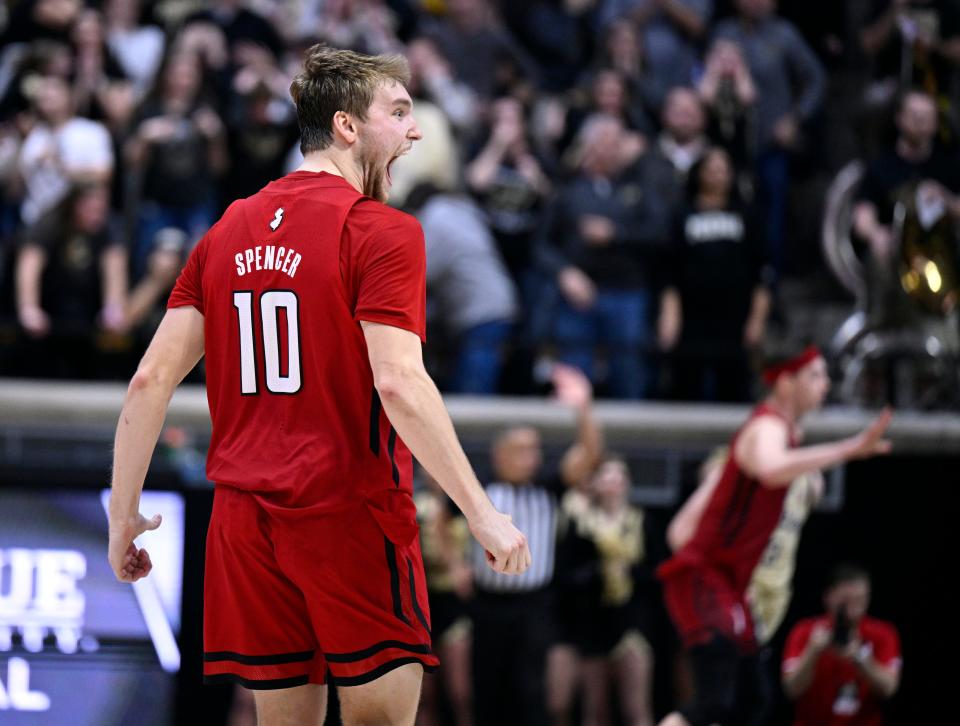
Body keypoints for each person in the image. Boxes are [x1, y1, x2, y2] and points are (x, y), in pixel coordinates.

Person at [107, 45, 530, 726]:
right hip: (347, 511)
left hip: (244, 523)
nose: (415, 132)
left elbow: (150, 380)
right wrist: (480, 510)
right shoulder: (380, 231)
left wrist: (122, 514)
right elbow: (397, 382)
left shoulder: (227, 228)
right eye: (399, 112)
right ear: (347, 126)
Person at [656, 343, 894, 726]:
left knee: (754, 701)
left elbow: (680, 531)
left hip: (732, 585)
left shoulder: (779, 447)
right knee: (713, 702)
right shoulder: (766, 427)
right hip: (705, 578)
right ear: (785, 382)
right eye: (815, 375)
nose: (826, 383)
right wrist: (849, 449)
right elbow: (770, 468)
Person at [470, 363, 603, 726]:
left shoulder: (548, 485)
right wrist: (454, 562)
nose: (533, 456)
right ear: (500, 454)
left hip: (534, 606)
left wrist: (583, 407)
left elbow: (589, 456)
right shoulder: (479, 490)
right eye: (522, 449)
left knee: (532, 694)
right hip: (487, 605)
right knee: (485, 694)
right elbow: (437, 509)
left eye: (535, 449)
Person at [667, 446, 824, 725]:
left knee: (747, 701)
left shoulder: (800, 474)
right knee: (719, 701)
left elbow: (817, 487)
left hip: (769, 598)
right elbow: (705, 486)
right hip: (732, 590)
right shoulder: (740, 459)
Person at [658, 147, 771, 402]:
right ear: (699, 173)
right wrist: (669, 314)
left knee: (734, 390)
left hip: (734, 320)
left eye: (723, 169)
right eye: (712, 168)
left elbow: (762, 272)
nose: (717, 175)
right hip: (691, 320)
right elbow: (670, 272)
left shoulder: (747, 214)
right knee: (685, 388)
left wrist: (757, 319)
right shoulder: (683, 214)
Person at [782, 564, 902, 726]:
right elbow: (791, 690)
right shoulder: (805, 631)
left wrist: (861, 656)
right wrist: (813, 651)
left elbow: (889, 689)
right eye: (845, 601)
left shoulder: (883, 633)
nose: (852, 610)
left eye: (860, 600)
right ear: (828, 597)